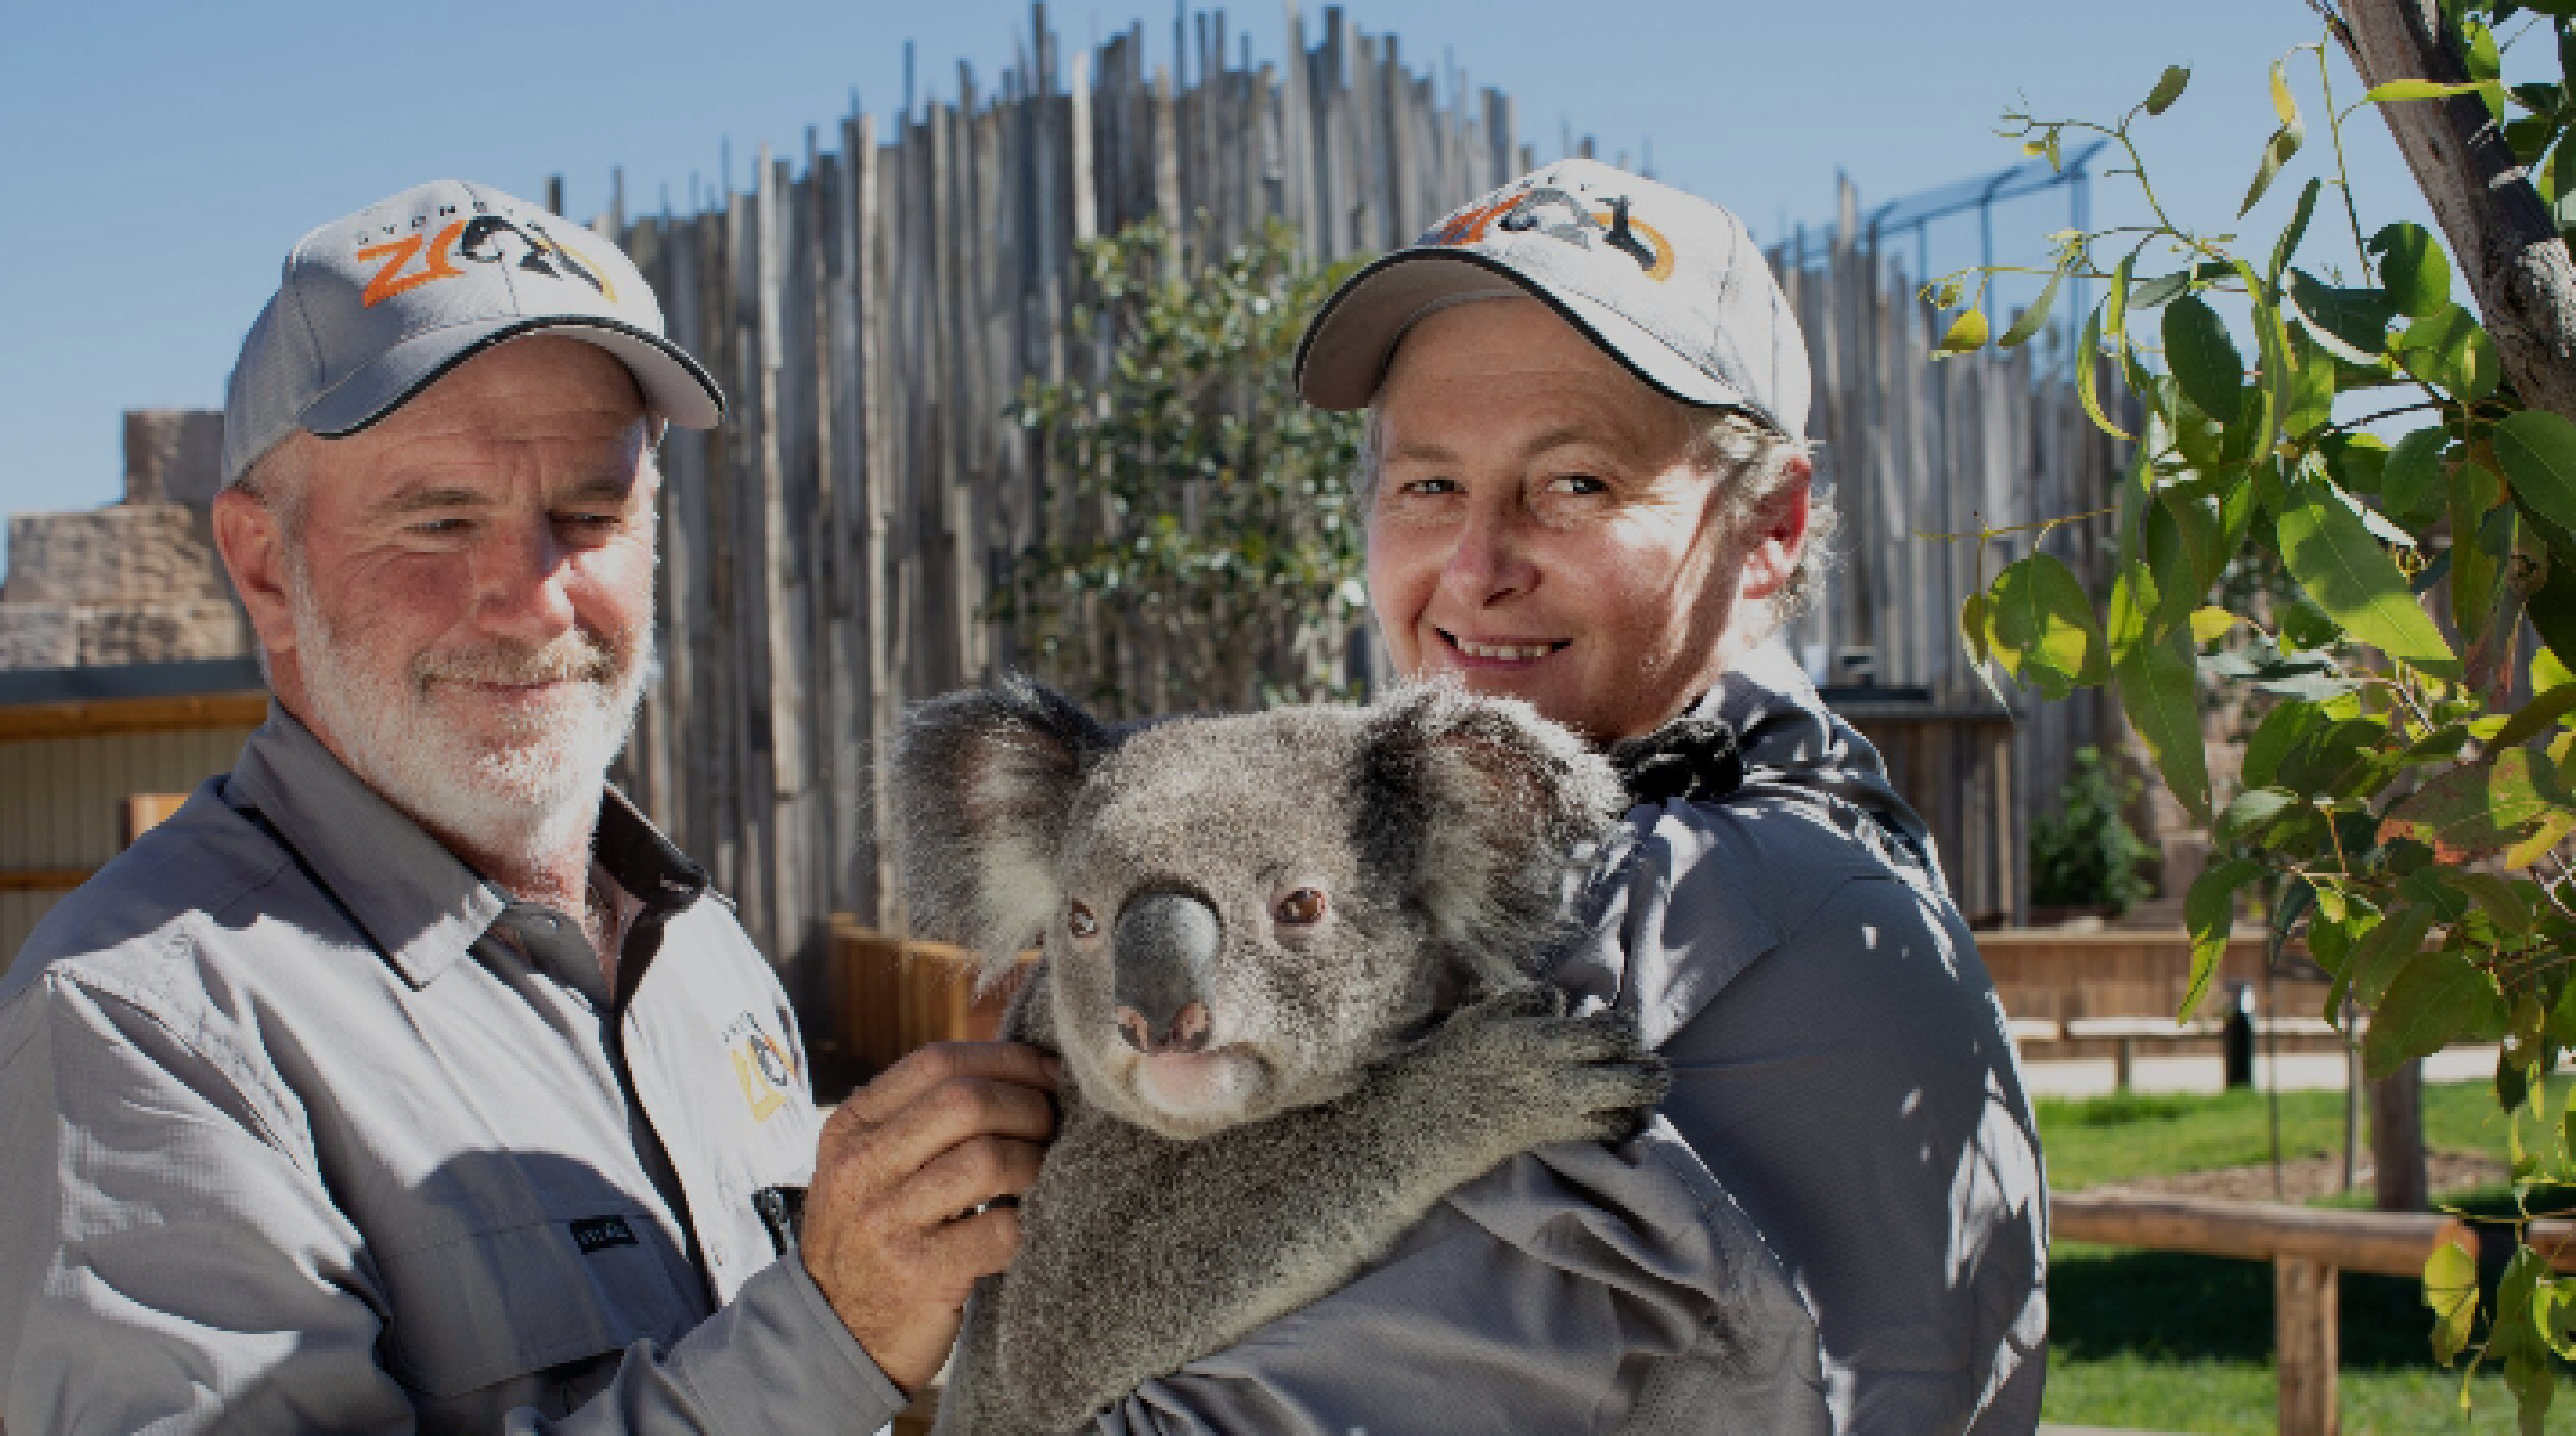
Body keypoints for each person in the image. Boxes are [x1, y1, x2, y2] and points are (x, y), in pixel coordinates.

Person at [0, 180, 1057, 1432]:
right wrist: (826, 1342)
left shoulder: (700, 955)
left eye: (589, 515)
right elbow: (818, 1352)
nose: (535, 596)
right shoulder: (144, 1030)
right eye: (441, 520)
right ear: (261, 565)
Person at [1066, 160, 2049, 1431]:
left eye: (1575, 482)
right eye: (1427, 485)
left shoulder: (1709, 920)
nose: (1476, 570)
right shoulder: (1688, 840)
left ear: (1772, 527)